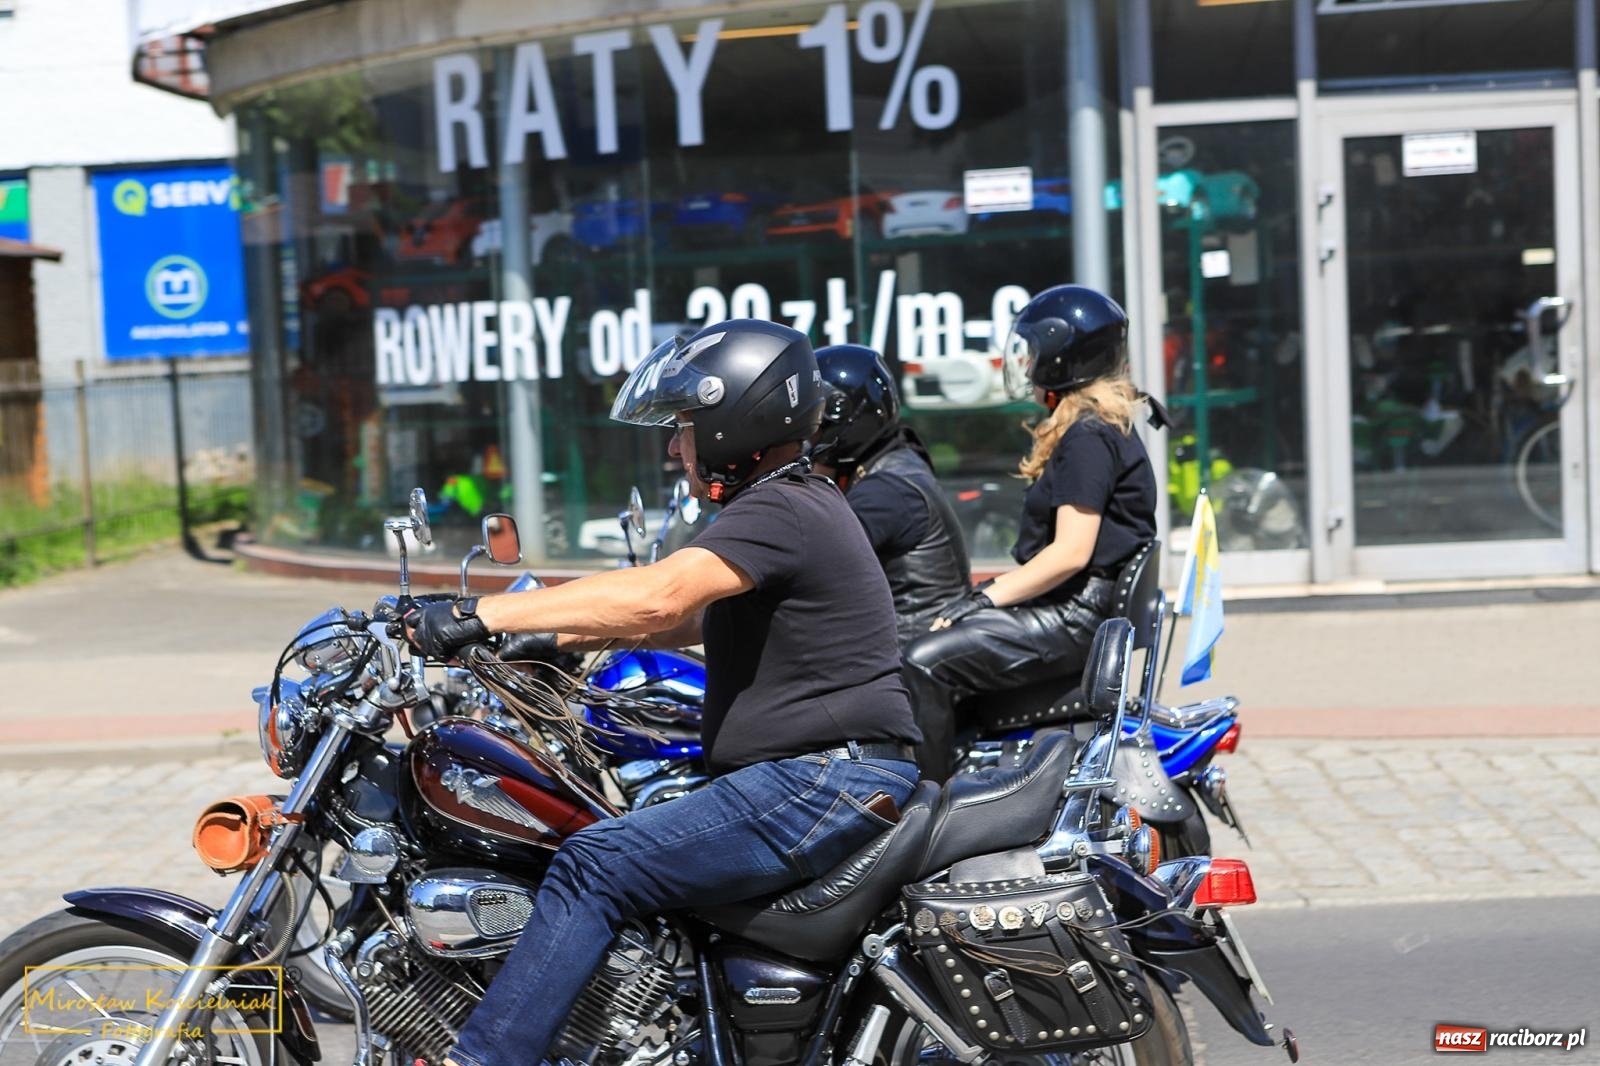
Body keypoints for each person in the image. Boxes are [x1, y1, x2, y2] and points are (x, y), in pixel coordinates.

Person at [404, 318, 921, 1066]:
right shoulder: (795, 503)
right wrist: (547, 638)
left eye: (684, 427)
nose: (676, 448)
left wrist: (476, 613)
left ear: (734, 420)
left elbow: (659, 597)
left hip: (821, 780)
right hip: (827, 775)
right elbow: (691, 620)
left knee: (593, 861)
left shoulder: (780, 508)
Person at [900, 285, 1165, 781]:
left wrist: (984, 598)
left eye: (1035, 352)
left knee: (921, 661)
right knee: (936, 638)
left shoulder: (1088, 435)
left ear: (1063, 358)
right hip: (1076, 608)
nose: (1026, 365)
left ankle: (926, 806)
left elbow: (1070, 553)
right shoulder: (1098, 426)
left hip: (1073, 615)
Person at [809, 344, 971, 648]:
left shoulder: (884, 492)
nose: (808, 434)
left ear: (842, 419)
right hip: (914, 634)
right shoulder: (894, 460)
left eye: (816, 422)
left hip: (907, 642)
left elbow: (814, 562)